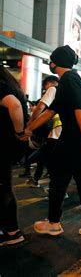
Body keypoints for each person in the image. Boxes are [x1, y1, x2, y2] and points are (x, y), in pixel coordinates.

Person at [26, 45, 81, 236]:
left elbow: (78, 109)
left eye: (51, 60)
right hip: (76, 139)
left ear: (55, 62)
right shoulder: (68, 81)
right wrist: (29, 129)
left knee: (59, 177)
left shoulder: (69, 80)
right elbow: (51, 111)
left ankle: (53, 222)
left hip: (73, 138)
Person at [0, 66, 28, 246]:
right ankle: (10, 229)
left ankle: (12, 231)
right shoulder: (10, 85)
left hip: (2, 144)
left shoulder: (1, 87)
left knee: (2, 188)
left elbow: (14, 105)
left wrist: (19, 132)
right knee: (4, 186)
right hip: (7, 145)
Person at [26, 75, 62, 188]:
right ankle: (55, 187)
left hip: (56, 132)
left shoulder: (53, 89)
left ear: (49, 84)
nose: (45, 90)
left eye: (45, 87)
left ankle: (57, 188)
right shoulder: (65, 92)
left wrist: (30, 124)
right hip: (61, 132)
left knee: (48, 159)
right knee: (51, 159)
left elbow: (40, 107)